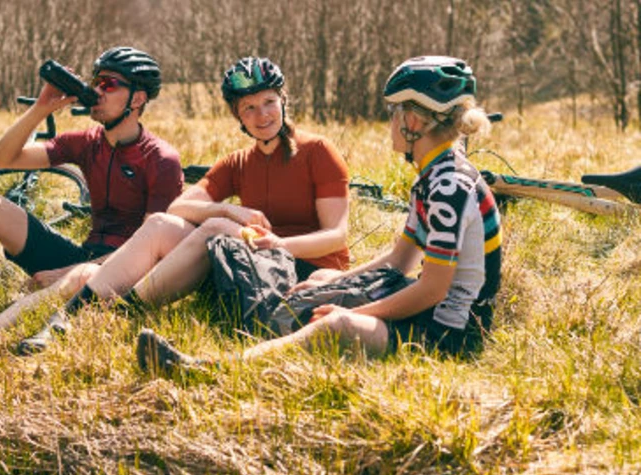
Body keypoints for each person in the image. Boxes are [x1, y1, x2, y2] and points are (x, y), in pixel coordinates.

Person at [136, 55, 502, 372]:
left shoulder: (448, 188)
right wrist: (334, 283)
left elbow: (432, 289)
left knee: (336, 327)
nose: (390, 123)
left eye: (394, 113)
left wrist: (357, 315)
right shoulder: (434, 177)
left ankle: (210, 370)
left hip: (449, 333)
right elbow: (399, 260)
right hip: (430, 311)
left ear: (414, 122)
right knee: (324, 287)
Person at [18, 56, 351, 353]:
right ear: (238, 116)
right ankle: (67, 318)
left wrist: (279, 243)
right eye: (249, 107)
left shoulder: (317, 151)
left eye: (269, 102)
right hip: (251, 270)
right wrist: (228, 209)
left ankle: (120, 314)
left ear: (283, 102)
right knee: (163, 225)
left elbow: (336, 234)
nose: (261, 114)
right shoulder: (238, 162)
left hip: (306, 269)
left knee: (218, 229)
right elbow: (177, 208)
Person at [0, 46, 184, 360]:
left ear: (137, 99)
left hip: (125, 274)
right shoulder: (86, 142)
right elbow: (1, 158)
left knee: (82, 275)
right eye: (96, 81)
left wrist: (70, 270)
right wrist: (41, 108)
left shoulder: (161, 158)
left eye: (108, 84)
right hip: (84, 256)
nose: (97, 90)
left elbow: (149, 248)